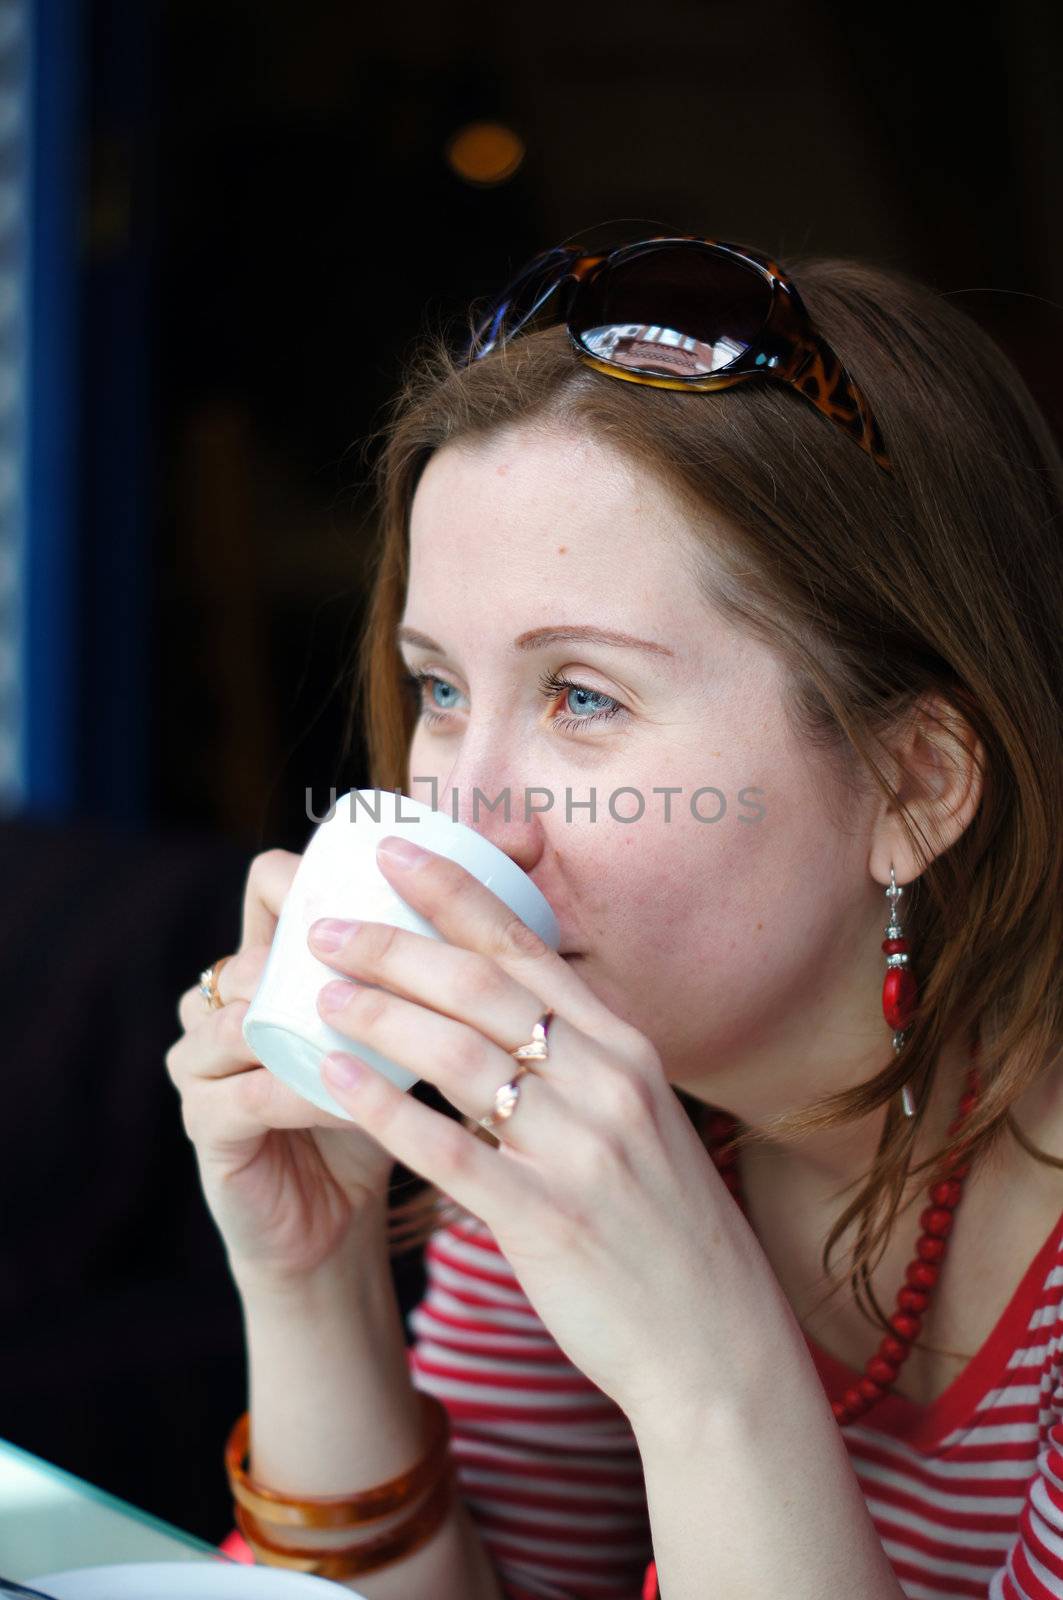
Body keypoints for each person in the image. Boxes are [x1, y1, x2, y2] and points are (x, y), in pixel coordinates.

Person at [166, 235, 1063, 1599]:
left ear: (914, 783)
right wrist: (313, 1279)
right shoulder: (579, 1109)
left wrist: (709, 1375)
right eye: (441, 691)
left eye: (584, 698)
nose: (466, 821)